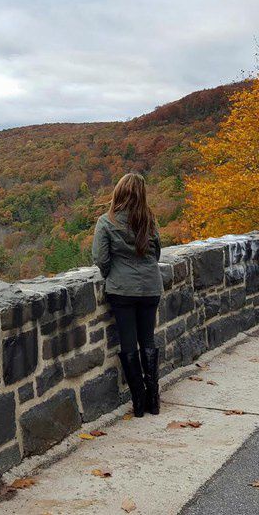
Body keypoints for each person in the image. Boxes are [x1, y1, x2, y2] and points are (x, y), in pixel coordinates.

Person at [91, 173, 163, 417]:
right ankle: (153, 400)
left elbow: (100, 258)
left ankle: (139, 403)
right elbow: (156, 254)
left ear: (119, 192)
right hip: (150, 287)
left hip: (122, 290)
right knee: (148, 341)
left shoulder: (106, 221)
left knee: (129, 343)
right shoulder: (149, 221)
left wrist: (113, 274)